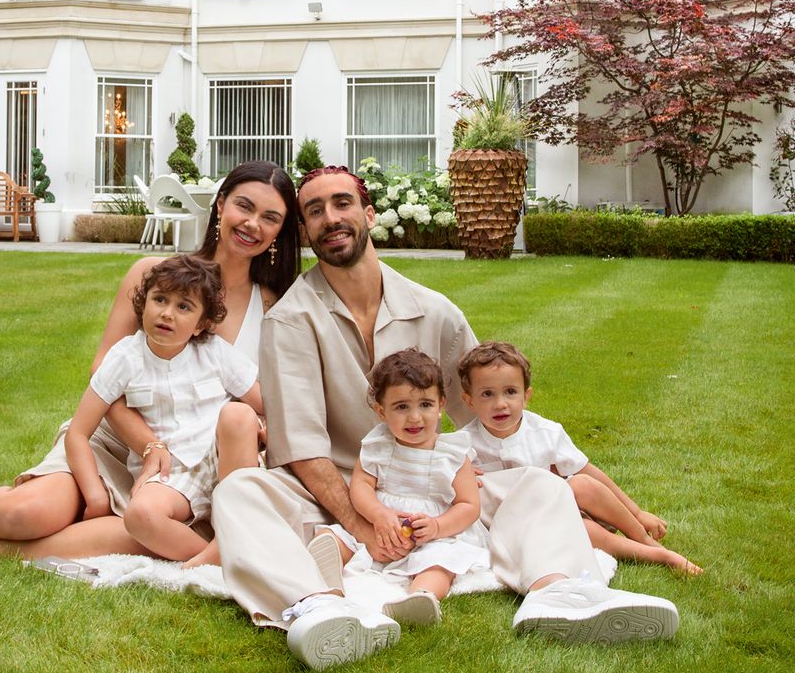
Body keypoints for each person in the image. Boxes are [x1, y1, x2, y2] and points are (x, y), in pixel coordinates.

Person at [211, 165, 679, 670]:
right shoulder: (290, 320)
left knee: (539, 487)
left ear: (368, 214)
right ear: (305, 230)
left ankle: (559, 592)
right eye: (315, 210)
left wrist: (569, 486)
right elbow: (302, 449)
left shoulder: (435, 311)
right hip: (341, 492)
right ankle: (317, 608)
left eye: (342, 203)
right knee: (238, 492)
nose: (331, 218)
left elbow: (491, 412)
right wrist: (365, 524)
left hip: (432, 491)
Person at [0, 161, 300, 561]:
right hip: (118, 439)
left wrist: (256, 428)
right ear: (221, 205)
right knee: (28, 512)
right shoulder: (155, 274)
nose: (252, 224)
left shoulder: (275, 305)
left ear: (281, 231)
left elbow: (264, 401)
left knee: (144, 535)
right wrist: (148, 446)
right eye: (244, 206)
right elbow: (103, 371)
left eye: (271, 217)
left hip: (193, 471)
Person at [457, 340, 702, 575]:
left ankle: (643, 538)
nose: (501, 404)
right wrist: (461, 477)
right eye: (487, 394)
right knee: (581, 530)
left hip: (555, 506)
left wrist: (637, 513)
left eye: (510, 392)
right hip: (517, 525)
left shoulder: (545, 432)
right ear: (469, 401)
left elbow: (587, 471)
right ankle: (657, 556)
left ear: (526, 396)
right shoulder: (462, 445)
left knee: (581, 483)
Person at [309, 348, 489, 627]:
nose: (415, 418)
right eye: (402, 407)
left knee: (440, 560)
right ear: (381, 411)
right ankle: (327, 583)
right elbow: (361, 487)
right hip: (381, 524)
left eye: (425, 405)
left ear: (441, 405)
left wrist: (438, 527)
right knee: (335, 537)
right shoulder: (377, 446)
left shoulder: (452, 454)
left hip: (433, 532)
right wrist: (379, 514)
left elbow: (469, 505)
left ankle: (421, 596)